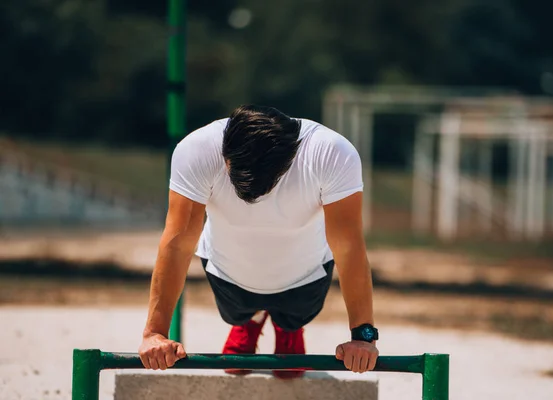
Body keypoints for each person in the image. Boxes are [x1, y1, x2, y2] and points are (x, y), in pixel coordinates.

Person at [138, 105, 379, 378]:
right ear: (225, 156)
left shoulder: (331, 153)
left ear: (288, 160)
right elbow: (178, 243)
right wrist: (154, 333)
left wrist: (363, 336)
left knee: (295, 317)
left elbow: (349, 248)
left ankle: (287, 327)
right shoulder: (198, 150)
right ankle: (248, 321)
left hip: (305, 273)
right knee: (236, 312)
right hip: (228, 272)